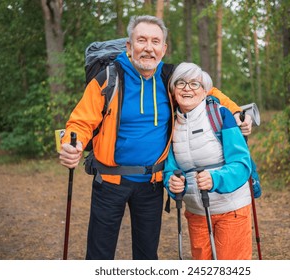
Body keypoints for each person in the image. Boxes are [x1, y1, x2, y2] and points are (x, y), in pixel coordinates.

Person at [59, 15, 252, 260]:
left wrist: (236, 112)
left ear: (163, 49)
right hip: (109, 182)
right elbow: (81, 121)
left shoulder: (170, 78)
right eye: (141, 40)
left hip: (152, 183)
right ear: (129, 46)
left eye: (155, 41)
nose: (148, 47)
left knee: (147, 256)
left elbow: (208, 90)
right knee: (99, 255)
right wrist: (71, 144)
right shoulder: (108, 79)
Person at [164, 62, 253, 260]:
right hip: (196, 213)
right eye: (181, 83)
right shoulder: (170, 124)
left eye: (194, 84)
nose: (187, 88)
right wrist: (172, 182)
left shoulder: (220, 115)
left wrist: (215, 179)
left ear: (205, 91)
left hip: (231, 211)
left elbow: (242, 163)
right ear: (173, 91)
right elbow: (169, 168)